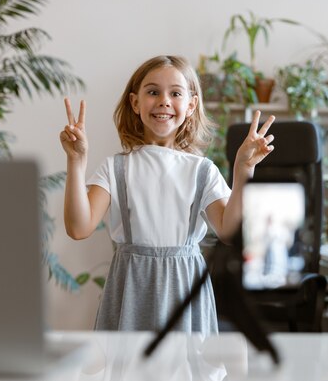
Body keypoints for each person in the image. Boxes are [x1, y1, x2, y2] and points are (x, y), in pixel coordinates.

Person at [60, 55, 275, 335]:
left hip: (184, 289)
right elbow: (78, 227)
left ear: (191, 105)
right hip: (130, 288)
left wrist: (244, 168)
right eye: (153, 92)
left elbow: (229, 231)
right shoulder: (116, 169)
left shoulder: (202, 171)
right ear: (135, 103)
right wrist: (76, 161)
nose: (164, 101)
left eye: (175, 93)